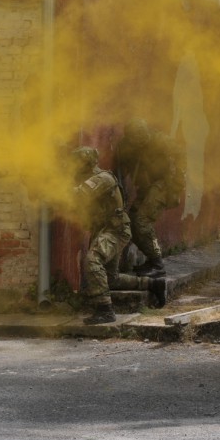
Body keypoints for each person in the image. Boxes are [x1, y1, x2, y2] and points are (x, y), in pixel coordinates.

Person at [70, 146, 168, 325]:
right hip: (106, 230)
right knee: (110, 279)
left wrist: (52, 187)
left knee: (93, 260)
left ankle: (105, 310)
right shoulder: (91, 178)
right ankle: (154, 284)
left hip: (116, 230)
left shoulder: (101, 179)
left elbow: (78, 195)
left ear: (85, 164)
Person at [115, 118, 185, 278]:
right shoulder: (128, 145)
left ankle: (157, 264)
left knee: (141, 221)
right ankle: (151, 260)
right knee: (131, 221)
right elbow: (123, 168)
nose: (140, 142)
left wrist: (177, 183)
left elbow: (181, 155)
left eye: (142, 137)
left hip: (163, 185)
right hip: (146, 187)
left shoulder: (160, 140)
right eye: (136, 139)